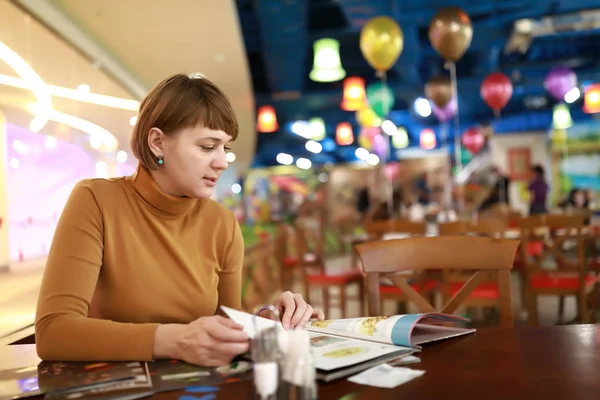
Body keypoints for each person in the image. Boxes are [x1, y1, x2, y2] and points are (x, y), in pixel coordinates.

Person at [35, 74, 324, 366]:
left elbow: (223, 327)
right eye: (208, 147)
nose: (222, 161)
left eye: (226, 148)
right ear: (158, 142)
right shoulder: (96, 200)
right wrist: (175, 340)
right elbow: (53, 332)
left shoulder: (221, 223)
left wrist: (271, 320)